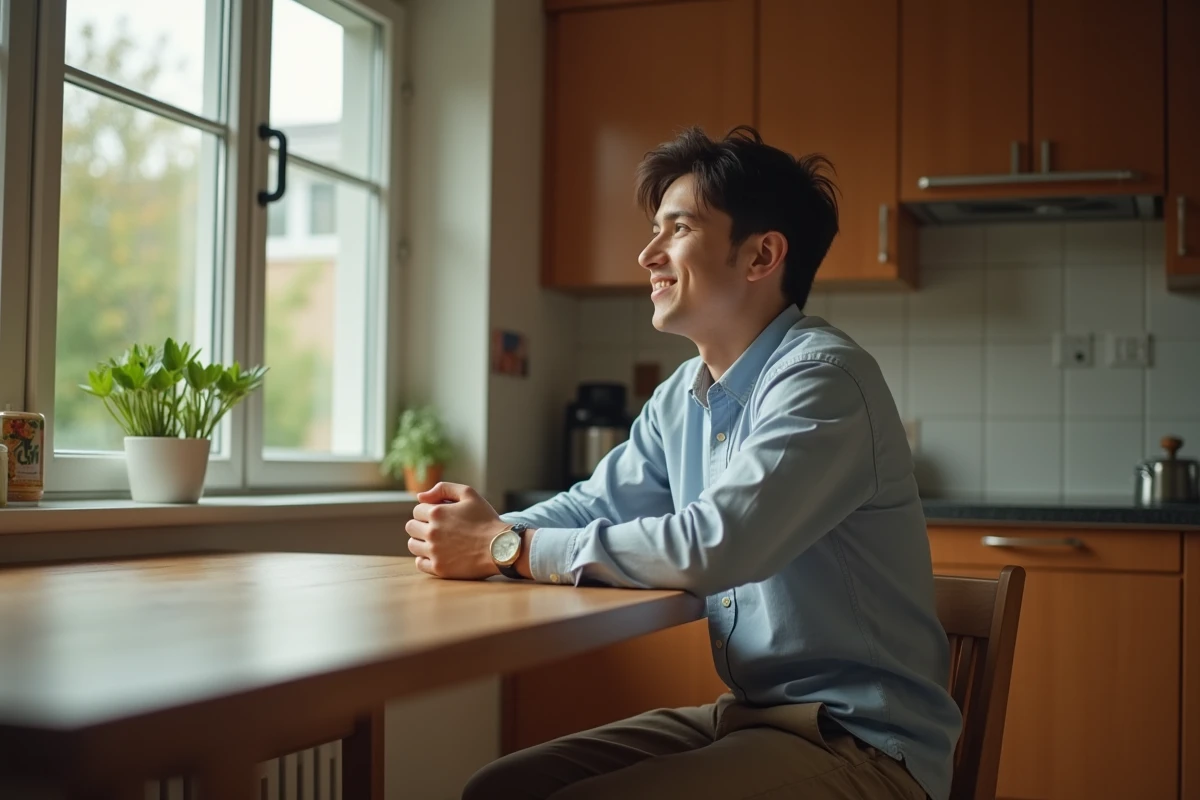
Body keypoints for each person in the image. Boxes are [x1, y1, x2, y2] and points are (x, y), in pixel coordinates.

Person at [404, 126, 961, 800]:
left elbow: (714, 544)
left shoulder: (823, 380)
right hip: (752, 719)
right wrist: (483, 531)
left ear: (761, 255)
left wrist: (503, 546)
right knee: (498, 789)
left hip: (865, 744)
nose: (647, 254)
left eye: (677, 229)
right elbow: (594, 504)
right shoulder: (684, 393)